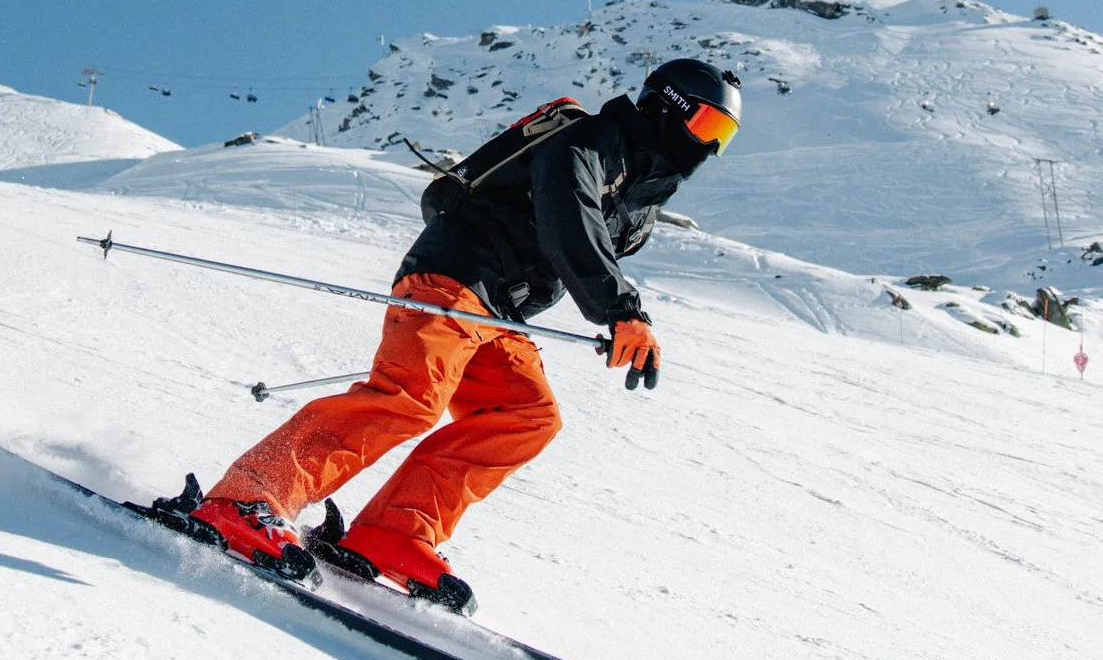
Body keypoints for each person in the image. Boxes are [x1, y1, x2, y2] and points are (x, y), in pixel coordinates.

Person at [173, 58, 741, 611]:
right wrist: (620, 309)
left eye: (725, 135)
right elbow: (565, 206)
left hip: (498, 312)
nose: (710, 147)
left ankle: (396, 531)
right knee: (409, 398)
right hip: (454, 274)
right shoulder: (596, 140)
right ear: (669, 108)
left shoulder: (637, 199)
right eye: (707, 125)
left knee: (526, 416)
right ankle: (249, 496)